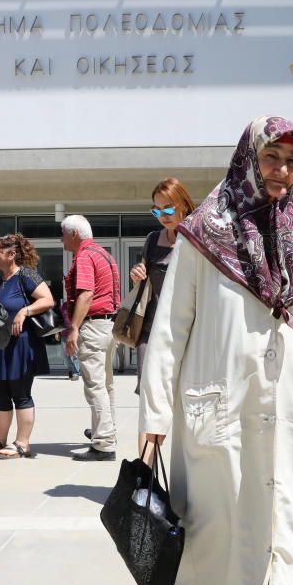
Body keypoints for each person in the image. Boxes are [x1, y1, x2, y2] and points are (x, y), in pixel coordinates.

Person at [140, 116, 293, 585]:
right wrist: (155, 413)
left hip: (291, 402)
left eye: (291, 161)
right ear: (248, 160)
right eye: (272, 158)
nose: (281, 171)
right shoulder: (204, 232)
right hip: (222, 401)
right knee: (227, 519)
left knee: (290, 515)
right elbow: (170, 329)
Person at [128, 177, 196, 452]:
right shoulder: (152, 240)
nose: (162, 216)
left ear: (183, 205)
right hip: (151, 333)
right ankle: (145, 479)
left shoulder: (197, 237)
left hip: (190, 334)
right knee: (150, 404)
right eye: (157, 211)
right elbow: (144, 277)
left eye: (168, 209)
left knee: (189, 404)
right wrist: (137, 275)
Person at [0, 233, 54, 459]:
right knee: (0, 394)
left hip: (22, 344)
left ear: (11, 254)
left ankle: (22, 443)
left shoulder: (26, 275)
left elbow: (47, 299)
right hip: (0, 345)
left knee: (21, 392)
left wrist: (24, 311)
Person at [61, 214, 120, 461]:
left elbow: (85, 294)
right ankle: (105, 431)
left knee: (95, 386)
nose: (61, 239)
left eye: (63, 234)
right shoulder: (103, 254)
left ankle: (103, 445)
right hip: (109, 326)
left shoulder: (84, 256)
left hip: (93, 327)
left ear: (74, 234)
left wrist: (73, 328)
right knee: (106, 385)